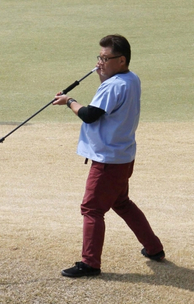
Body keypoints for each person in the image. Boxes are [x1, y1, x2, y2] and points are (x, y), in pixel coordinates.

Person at [53, 34, 164, 278]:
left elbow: (90, 114)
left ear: (121, 60)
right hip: (123, 156)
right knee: (121, 202)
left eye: (105, 58)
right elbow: (108, 103)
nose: (99, 63)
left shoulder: (114, 85)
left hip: (107, 161)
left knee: (91, 209)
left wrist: (68, 100)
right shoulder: (130, 79)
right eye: (99, 57)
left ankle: (90, 263)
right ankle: (154, 248)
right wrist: (103, 76)